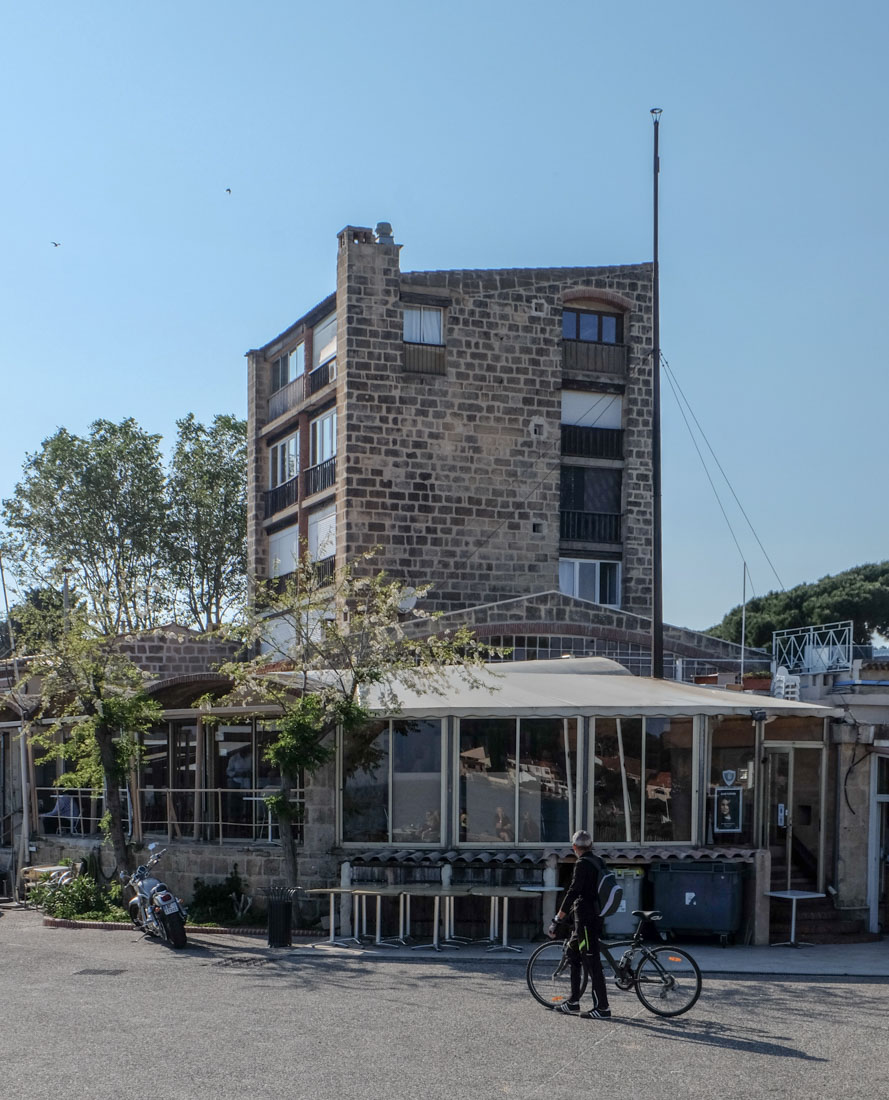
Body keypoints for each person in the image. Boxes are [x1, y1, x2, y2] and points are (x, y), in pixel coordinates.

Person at [549, 829, 612, 1019]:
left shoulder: (582, 864)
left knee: (592, 962)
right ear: (590, 846)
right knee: (572, 953)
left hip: (586, 920)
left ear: (575, 847)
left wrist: (558, 918)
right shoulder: (598, 861)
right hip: (593, 917)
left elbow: (573, 892)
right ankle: (573, 1001)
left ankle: (602, 1008)